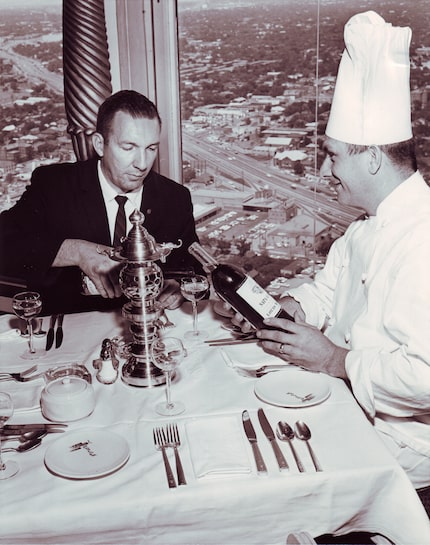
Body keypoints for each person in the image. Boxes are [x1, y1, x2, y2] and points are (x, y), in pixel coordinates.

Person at [239, 11, 430, 503]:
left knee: (258, 487)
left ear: (370, 158)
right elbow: (328, 290)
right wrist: (292, 309)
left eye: (333, 155)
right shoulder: (366, 225)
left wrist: (335, 360)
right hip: (349, 404)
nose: (326, 170)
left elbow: (425, 377)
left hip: (402, 449)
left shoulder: (423, 239)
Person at [0, 90, 203, 314]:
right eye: (128, 148)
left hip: (149, 326)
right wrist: (74, 251)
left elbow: (195, 270)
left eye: (151, 148)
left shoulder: (175, 197)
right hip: (72, 331)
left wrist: (179, 288)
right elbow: (5, 244)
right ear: (99, 144)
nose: (142, 164)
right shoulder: (54, 185)